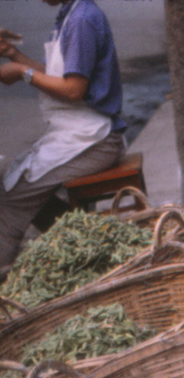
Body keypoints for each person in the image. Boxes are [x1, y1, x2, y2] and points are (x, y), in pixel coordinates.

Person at [0, 0, 126, 272]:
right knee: (21, 190)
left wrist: (22, 73)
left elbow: (72, 90)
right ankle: (91, 251)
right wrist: (14, 54)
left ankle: (6, 296)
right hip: (78, 132)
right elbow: (55, 75)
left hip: (96, 138)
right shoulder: (70, 14)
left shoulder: (82, 19)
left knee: (11, 197)